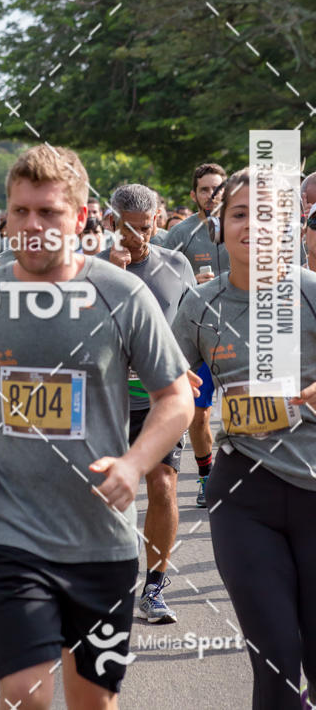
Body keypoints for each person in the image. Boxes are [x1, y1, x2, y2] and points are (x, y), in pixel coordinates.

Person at [0, 145, 195, 710]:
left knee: (92, 700)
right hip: (8, 530)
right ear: (5, 216)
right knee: (24, 692)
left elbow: (174, 397)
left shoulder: (122, 294)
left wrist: (134, 464)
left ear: (80, 217)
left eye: (48, 212)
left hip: (100, 538)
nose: (32, 225)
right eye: (20, 211)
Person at [172, 168, 316, 710]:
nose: (252, 226)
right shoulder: (199, 304)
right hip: (243, 494)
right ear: (220, 224)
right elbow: (164, 381)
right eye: (239, 214)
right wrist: (172, 386)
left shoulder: (310, 293)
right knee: (276, 661)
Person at [99, 184, 197, 624]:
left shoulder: (176, 264)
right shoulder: (88, 266)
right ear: (111, 222)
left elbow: (193, 324)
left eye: (148, 226)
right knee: (106, 495)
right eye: (130, 228)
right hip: (104, 401)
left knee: (163, 485)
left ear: (158, 219)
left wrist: (192, 366)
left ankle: (154, 586)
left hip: (159, 401)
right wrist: (109, 275)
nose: (140, 236)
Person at [163, 162, 229, 507]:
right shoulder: (180, 234)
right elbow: (164, 282)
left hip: (239, 334)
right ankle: (206, 477)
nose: (211, 196)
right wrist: (192, 285)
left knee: (249, 410)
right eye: (204, 190)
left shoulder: (241, 225)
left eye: (217, 189)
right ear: (194, 194)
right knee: (199, 413)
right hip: (199, 335)